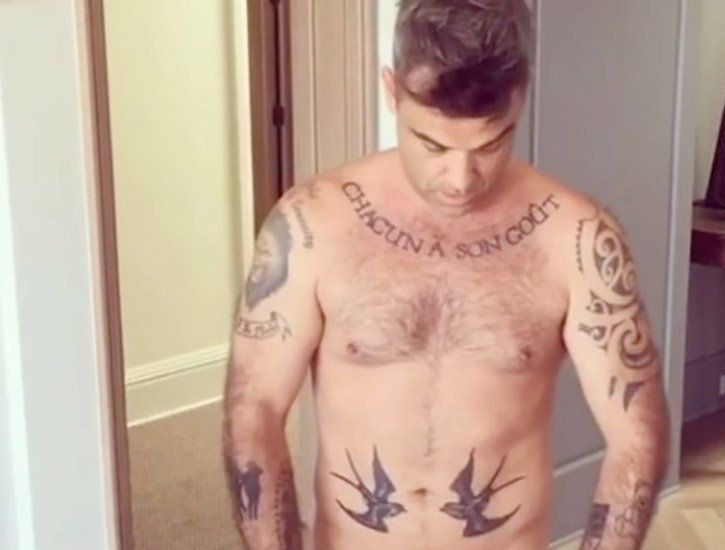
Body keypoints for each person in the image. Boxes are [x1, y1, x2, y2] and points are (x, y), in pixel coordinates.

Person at [222, 0, 670, 549]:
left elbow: (636, 435)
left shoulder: (577, 239)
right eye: (432, 144)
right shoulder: (312, 224)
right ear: (392, 91)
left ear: (520, 97)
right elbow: (255, 410)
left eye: (492, 143)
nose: (460, 179)